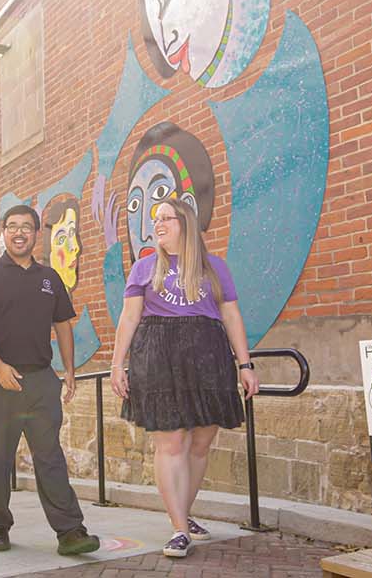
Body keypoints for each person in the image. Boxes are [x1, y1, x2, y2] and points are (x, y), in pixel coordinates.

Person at [108, 198, 259, 558]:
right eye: (155, 219)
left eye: (166, 218)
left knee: (202, 442)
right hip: (158, 354)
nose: (157, 224)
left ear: (185, 223)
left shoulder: (214, 267)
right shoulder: (144, 268)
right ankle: (178, 528)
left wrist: (245, 364)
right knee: (172, 442)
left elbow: (231, 316)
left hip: (208, 353)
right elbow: (129, 319)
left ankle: (184, 514)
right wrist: (117, 364)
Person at [0, 204, 101, 556]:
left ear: (37, 233)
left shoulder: (50, 278)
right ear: (3, 233)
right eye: (12, 226)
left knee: (50, 456)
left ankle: (70, 531)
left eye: (27, 227)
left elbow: (63, 325)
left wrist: (68, 370)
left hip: (40, 380)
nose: (19, 232)